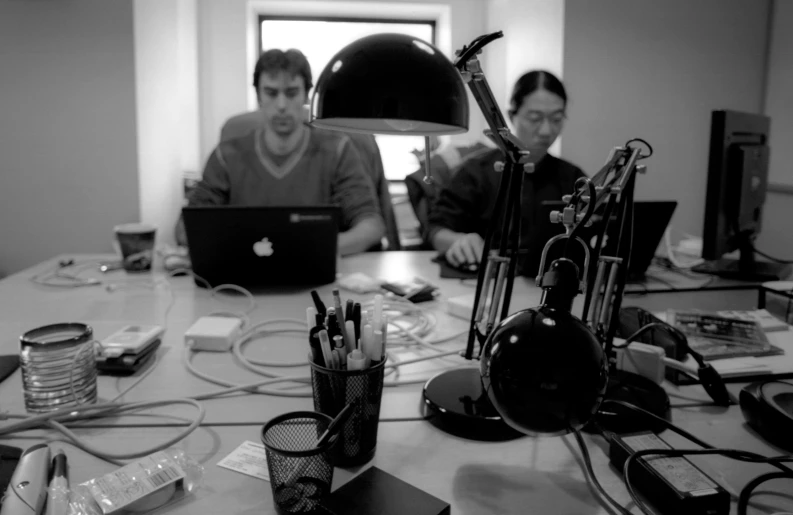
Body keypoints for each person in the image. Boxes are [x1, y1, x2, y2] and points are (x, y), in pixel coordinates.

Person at [177, 49, 385, 256]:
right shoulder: (226, 155)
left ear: (306, 95)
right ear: (258, 95)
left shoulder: (337, 150)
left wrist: (313, 249)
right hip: (243, 280)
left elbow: (371, 225)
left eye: (292, 93)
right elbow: (185, 228)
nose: (282, 105)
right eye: (271, 92)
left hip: (317, 276)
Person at [427, 70, 586, 277]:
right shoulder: (476, 171)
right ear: (512, 116)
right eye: (535, 118)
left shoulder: (572, 177)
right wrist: (458, 240)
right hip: (484, 284)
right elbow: (436, 230)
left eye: (556, 119)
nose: (546, 130)